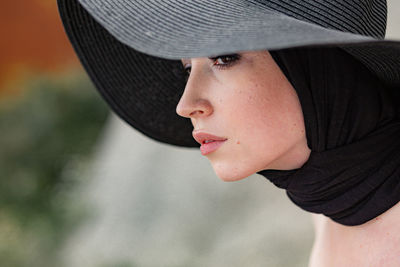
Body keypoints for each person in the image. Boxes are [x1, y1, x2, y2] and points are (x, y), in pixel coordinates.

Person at [58, 0, 400, 266]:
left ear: (319, 71)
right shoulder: (329, 211)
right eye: (188, 68)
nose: (186, 104)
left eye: (223, 58)